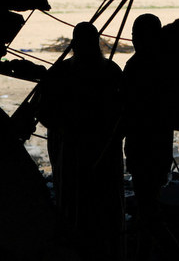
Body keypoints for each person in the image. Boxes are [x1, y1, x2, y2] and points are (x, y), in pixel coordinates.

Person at [35, 22, 125, 260]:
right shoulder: (107, 71)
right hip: (77, 151)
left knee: (85, 205)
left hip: (92, 151)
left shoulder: (64, 73)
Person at [123, 13, 179, 260]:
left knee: (148, 208)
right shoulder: (166, 65)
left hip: (142, 147)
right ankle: (144, 251)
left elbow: (129, 107)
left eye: (135, 35)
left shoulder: (137, 66)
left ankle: (175, 253)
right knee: (148, 204)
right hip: (159, 147)